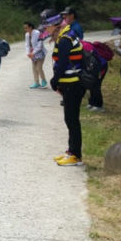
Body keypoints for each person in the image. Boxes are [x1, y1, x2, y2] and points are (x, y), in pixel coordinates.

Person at [43, 13, 86, 166]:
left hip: (73, 84)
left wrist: (54, 82)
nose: (46, 30)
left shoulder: (65, 39)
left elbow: (61, 64)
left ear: (54, 25)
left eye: (46, 27)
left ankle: (75, 155)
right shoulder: (66, 35)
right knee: (70, 119)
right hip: (70, 83)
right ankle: (71, 151)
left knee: (72, 119)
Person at [24, 21, 47, 89]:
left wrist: (33, 53)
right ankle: (36, 83)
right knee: (34, 68)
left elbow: (40, 44)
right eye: (24, 28)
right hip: (32, 54)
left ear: (30, 27)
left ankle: (43, 80)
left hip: (40, 53)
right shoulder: (27, 34)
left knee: (39, 67)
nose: (25, 29)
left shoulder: (38, 33)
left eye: (26, 28)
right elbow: (27, 44)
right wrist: (28, 53)